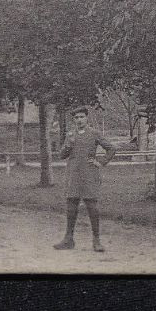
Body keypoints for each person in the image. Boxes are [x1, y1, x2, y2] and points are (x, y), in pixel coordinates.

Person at [54, 106, 116, 252]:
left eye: (82, 117)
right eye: (76, 118)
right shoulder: (70, 135)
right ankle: (68, 240)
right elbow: (61, 155)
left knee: (92, 207)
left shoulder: (94, 133)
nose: (79, 120)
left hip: (89, 175)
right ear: (73, 120)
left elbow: (111, 148)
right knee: (71, 206)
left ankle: (96, 241)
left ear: (86, 118)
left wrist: (100, 162)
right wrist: (68, 143)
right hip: (73, 175)